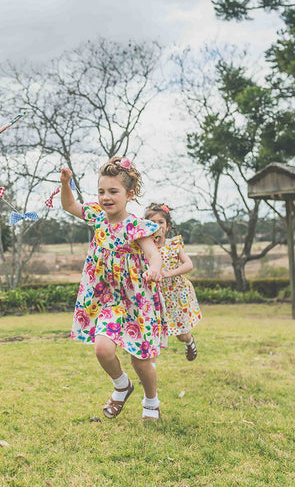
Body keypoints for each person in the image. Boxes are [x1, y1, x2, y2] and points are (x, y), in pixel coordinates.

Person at [60, 157, 166, 422]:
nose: (106, 197)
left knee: (140, 360)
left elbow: (154, 254)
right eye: (101, 191)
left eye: (113, 191)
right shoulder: (97, 216)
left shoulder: (137, 227)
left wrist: (154, 269)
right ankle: (122, 386)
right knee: (102, 350)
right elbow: (69, 205)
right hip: (107, 298)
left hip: (136, 300)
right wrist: (65, 184)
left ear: (129, 194)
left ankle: (151, 400)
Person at [144, 203, 201, 361]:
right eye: (152, 222)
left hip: (175, 295)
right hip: (154, 295)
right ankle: (149, 369)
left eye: (161, 222)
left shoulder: (173, 245)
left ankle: (189, 342)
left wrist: (169, 273)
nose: (157, 226)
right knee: (150, 334)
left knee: (181, 335)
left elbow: (188, 264)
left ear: (167, 226)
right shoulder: (144, 248)